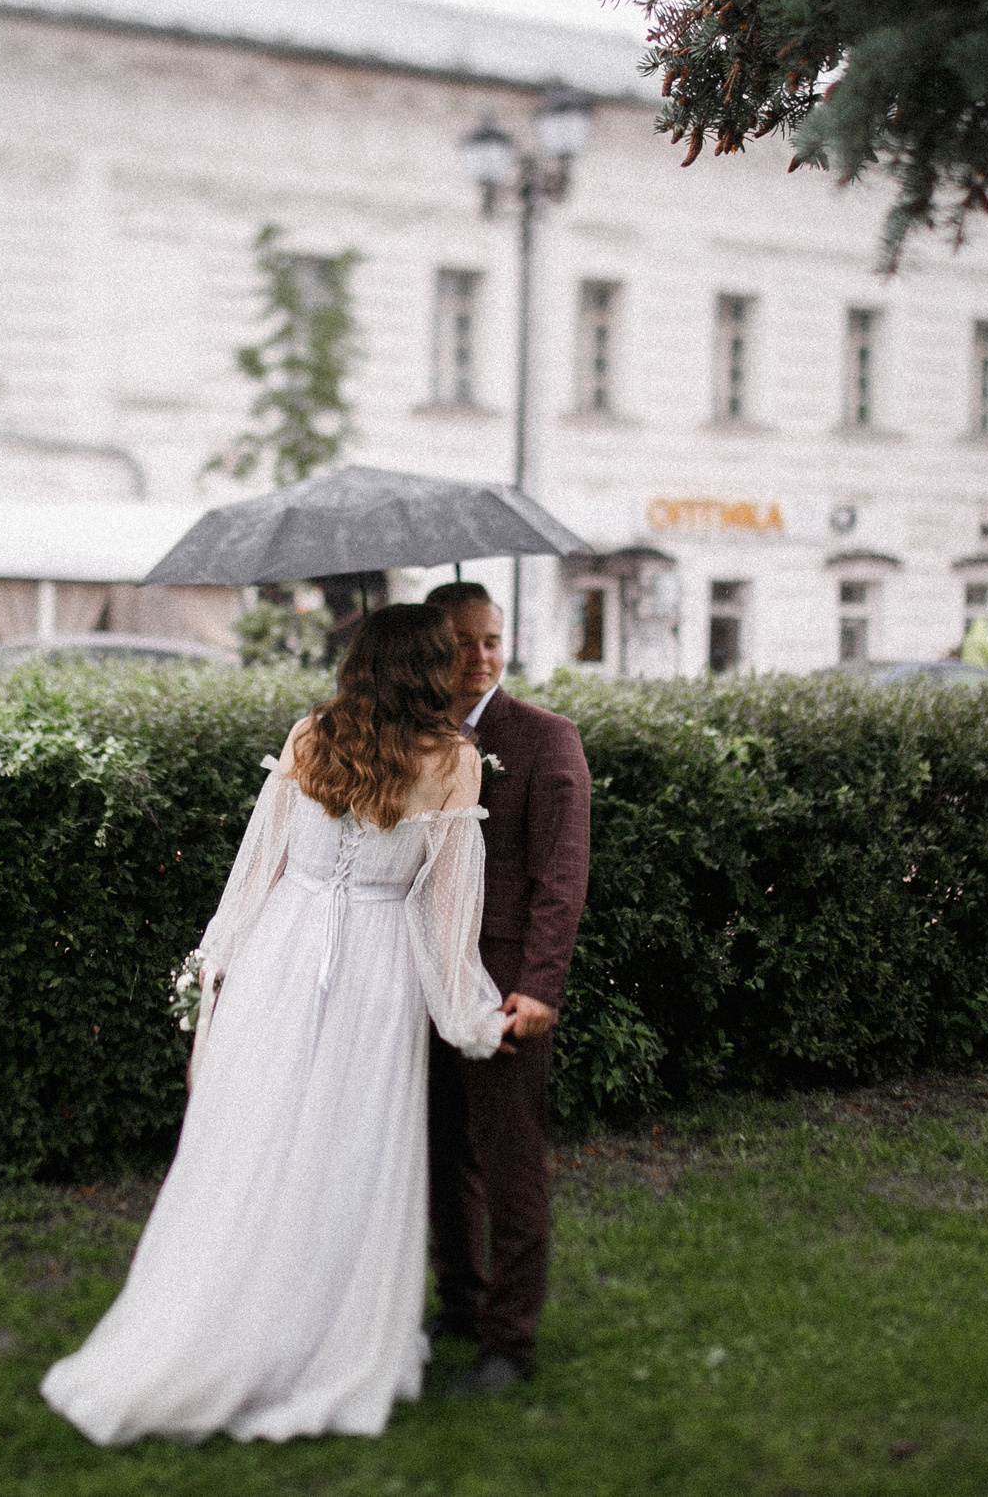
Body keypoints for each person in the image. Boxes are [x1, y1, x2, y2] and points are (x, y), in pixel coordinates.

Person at [40, 603, 513, 1444]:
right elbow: (447, 920)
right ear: (430, 669)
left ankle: (227, 1323)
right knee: (344, 1156)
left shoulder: (311, 736)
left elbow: (256, 871)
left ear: (360, 665)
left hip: (280, 958)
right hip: (374, 972)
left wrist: (219, 976)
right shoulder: (455, 761)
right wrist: (474, 1014)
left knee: (256, 1142)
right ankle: (309, 1343)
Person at [420, 581, 591, 1397]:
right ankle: (461, 1302)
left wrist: (540, 985)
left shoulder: (545, 739)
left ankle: (510, 1341)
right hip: (417, 973)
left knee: (509, 1161)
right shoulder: (411, 739)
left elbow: (561, 876)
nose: (480, 655)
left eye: (490, 639)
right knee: (440, 1151)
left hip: (502, 986)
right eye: (461, 641)